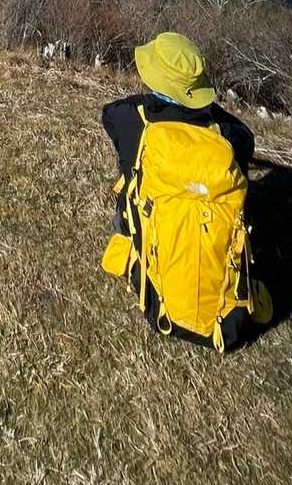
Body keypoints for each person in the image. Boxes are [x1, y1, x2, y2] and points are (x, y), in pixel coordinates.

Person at [100, 31, 269, 350]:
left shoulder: (130, 120)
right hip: (227, 317)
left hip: (156, 294)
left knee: (131, 180)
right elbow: (246, 138)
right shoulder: (230, 136)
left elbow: (108, 112)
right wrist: (205, 110)